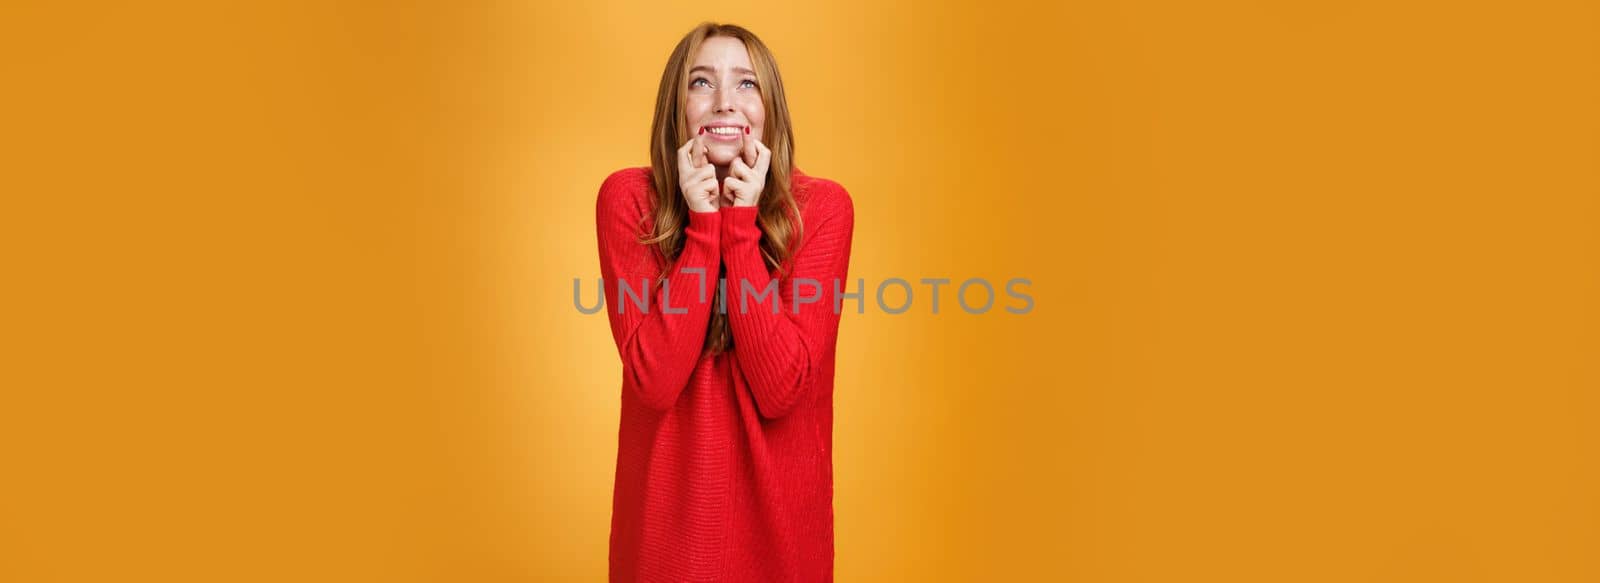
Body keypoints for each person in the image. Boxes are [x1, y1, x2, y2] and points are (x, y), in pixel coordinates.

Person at [594, 21, 855, 582]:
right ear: (677, 105)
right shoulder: (628, 199)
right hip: (665, 546)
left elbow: (780, 387)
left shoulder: (824, 209)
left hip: (782, 545)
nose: (722, 103)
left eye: (745, 84)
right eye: (701, 83)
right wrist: (703, 226)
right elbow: (655, 379)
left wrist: (740, 227)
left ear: (770, 107)